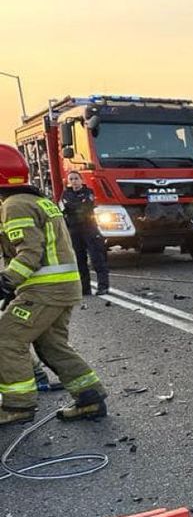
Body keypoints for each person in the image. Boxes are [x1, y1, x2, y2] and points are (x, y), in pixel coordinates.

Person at [0, 145, 108, 426]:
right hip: (62, 287)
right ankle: (90, 397)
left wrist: (6, 282)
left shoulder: (14, 205)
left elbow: (29, 253)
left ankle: (17, 406)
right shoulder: (38, 200)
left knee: (6, 339)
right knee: (52, 345)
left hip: (44, 290)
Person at [59, 170, 110, 295]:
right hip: (74, 230)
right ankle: (85, 288)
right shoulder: (65, 194)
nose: (74, 181)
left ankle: (103, 286)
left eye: (76, 178)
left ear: (81, 180)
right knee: (79, 259)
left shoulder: (89, 192)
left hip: (89, 228)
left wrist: (74, 207)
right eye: (71, 179)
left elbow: (86, 206)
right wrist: (76, 206)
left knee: (97, 257)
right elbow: (63, 208)